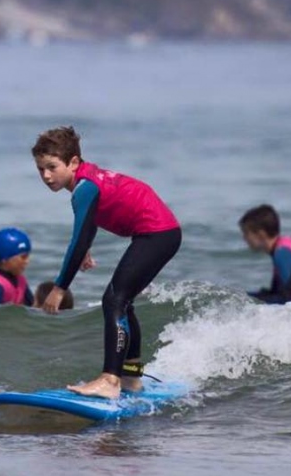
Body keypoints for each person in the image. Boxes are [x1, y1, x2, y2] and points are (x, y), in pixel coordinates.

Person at [32, 126, 181, 399]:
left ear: (73, 162)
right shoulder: (87, 181)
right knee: (122, 301)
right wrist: (85, 246)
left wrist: (59, 287)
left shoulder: (84, 188)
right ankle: (131, 378)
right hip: (161, 232)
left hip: (156, 233)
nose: (46, 175)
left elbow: (78, 239)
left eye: (52, 167)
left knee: (113, 300)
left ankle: (109, 380)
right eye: (40, 169)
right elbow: (87, 227)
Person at [0, 228, 34, 306]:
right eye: (23, 257)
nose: (27, 261)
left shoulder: (20, 280)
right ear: (5, 259)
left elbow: (33, 307)